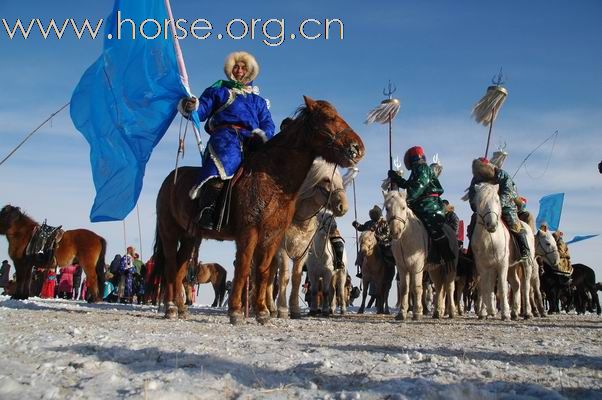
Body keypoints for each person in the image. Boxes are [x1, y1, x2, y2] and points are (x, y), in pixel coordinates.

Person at [180, 51, 276, 230]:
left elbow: (268, 124)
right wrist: (192, 106)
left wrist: (262, 136)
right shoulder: (219, 91)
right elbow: (201, 112)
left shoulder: (259, 101)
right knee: (227, 160)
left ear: (249, 72)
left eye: (243, 67)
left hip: (252, 139)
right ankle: (208, 209)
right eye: (236, 67)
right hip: (225, 138)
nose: (239, 70)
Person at [388, 146, 455, 270]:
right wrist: (396, 178)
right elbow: (409, 185)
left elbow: (418, 186)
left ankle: (444, 255)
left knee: (432, 225)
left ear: (411, 159)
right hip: (418, 203)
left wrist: (406, 200)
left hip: (429, 204)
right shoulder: (416, 170)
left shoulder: (423, 168)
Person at [468, 157, 530, 261]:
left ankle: (524, 248)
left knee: (513, 222)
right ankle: (471, 252)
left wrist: (498, 205)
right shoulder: (476, 179)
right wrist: (476, 206)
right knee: (474, 223)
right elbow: (472, 194)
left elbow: (508, 191)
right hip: (485, 208)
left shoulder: (502, 175)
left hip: (505, 205)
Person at [352, 205, 392, 278]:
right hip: (369, 243)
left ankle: (388, 266)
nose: (372, 216)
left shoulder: (384, 222)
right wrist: (356, 225)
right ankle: (362, 270)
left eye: (374, 214)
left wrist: (378, 237)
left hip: (380, 242)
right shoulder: (368, 223)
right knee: (361, 251)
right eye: (372, 214)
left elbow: (387, 233)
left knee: (387, 251)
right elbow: (362, 228)